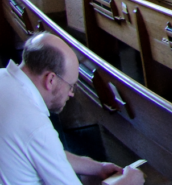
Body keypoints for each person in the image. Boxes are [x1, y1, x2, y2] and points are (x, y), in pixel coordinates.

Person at [0, 33, 146, 185]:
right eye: (71, 85)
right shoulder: (36, 126)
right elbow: (39, 141)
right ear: (51, 80)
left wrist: (97, 167)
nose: (71, 93)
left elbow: (45, 153)